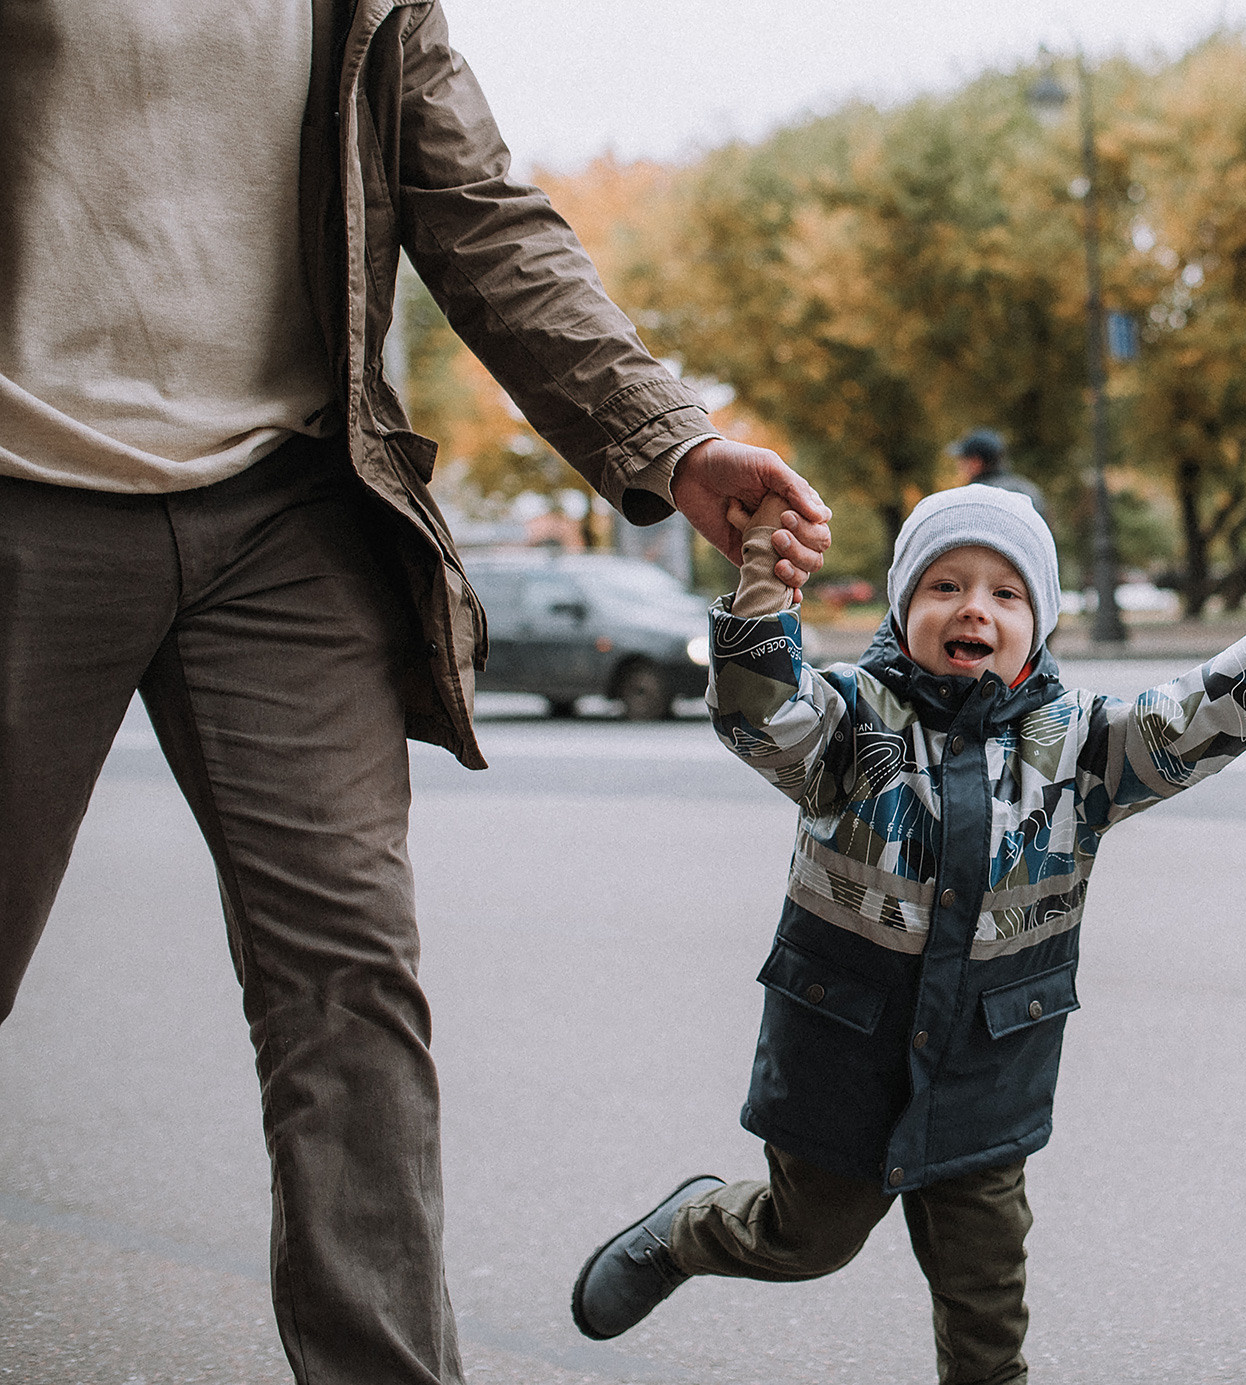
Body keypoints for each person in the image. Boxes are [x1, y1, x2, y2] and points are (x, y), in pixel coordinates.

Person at [0, 4, 827, 1382]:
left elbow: (479, 210)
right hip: (21, 492)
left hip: (289, 505)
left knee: (350, 984)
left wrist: (670, 440)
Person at [570, 484, 1246, 1383]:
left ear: (1036, 626)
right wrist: (763, 584)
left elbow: (1178, 727)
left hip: (986, 1068)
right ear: (905, 610)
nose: (975, 607)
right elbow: (755, 709)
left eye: (1007, 594)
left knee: (988, 1307)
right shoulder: (850, 724)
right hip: (843, 1052)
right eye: (945, 585)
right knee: (806, 1238)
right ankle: (691, 1229)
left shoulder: (1080, 745)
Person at [949, 429, 1047, 514]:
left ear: (976, 462)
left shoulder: (976, 496)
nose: (959, 465)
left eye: (962, 459)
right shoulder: (1027, 488)